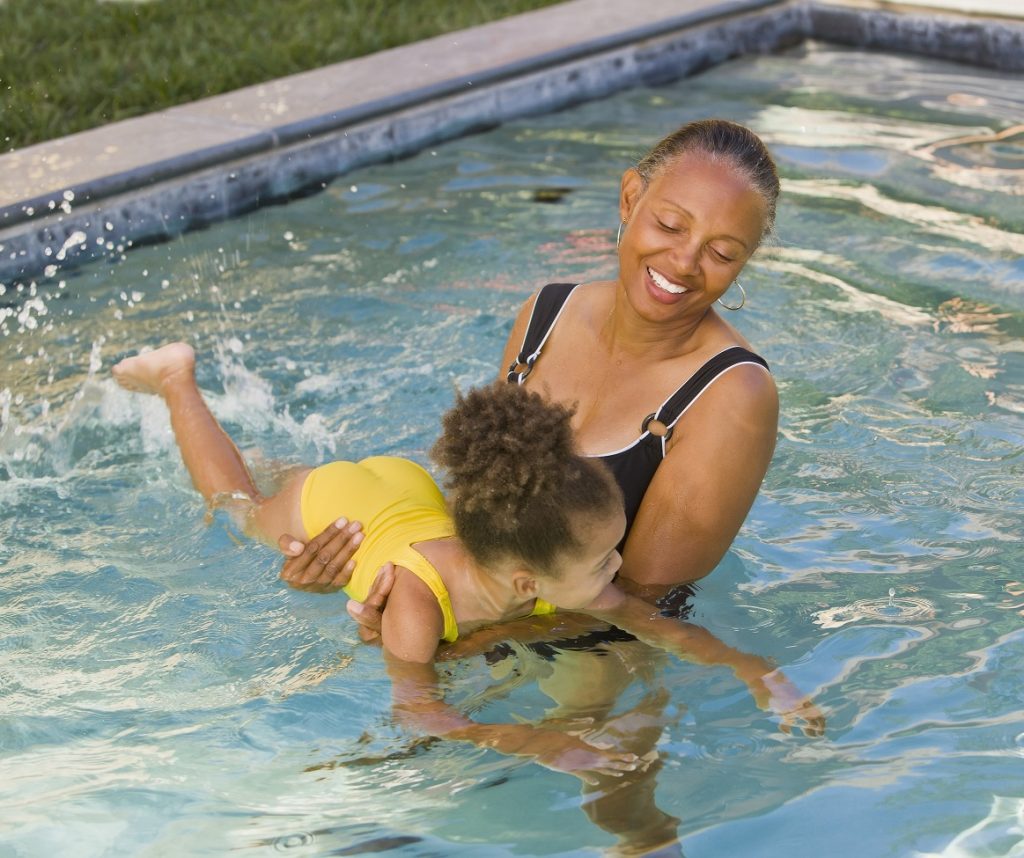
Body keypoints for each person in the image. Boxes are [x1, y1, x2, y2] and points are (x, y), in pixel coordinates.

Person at [111, 342, 822, 784]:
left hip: (408, 494)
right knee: (237, 504)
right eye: (605, 558)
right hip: (342, 513)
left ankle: (272, 453)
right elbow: (418, 711)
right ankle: (177, 379)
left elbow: (656, 625)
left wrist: (752, 670)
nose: (618, 567)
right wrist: (532, 740)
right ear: (527, 584)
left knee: (267, 477)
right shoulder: (418, 605)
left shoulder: (544, 567)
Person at [279, 118, 782, 625]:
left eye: (721, 253)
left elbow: (639, 609)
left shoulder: (734, 395)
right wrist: (378, 574)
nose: (684, 262)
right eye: (671, 226)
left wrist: (439, 635)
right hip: (487, 623)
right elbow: (483, 523)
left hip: (596, 669)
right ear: (630, 198)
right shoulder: (546, 316)